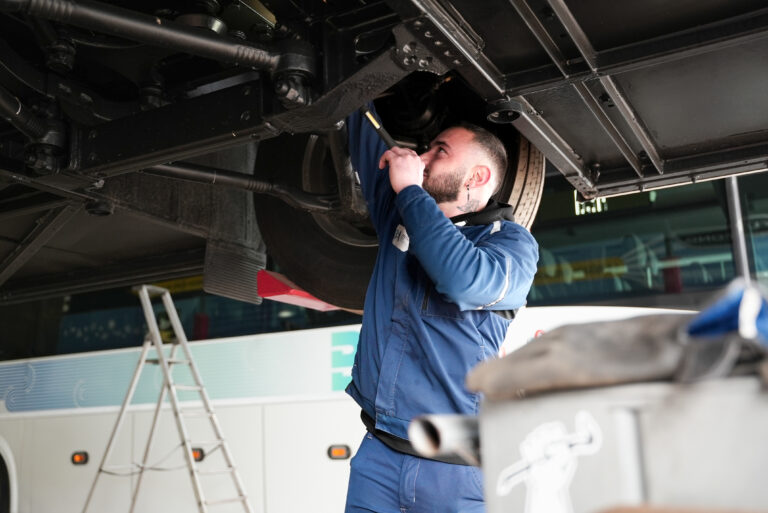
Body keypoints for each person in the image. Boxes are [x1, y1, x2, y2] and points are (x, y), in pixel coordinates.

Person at [344, 104, 539, 513]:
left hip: (455, 476)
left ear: (478, 177)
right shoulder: (401, 213)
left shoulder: (511, 245)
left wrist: (411, 190)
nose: (422, 158)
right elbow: (357, 115)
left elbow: (461, 279)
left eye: (440, 151)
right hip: (378, 458)